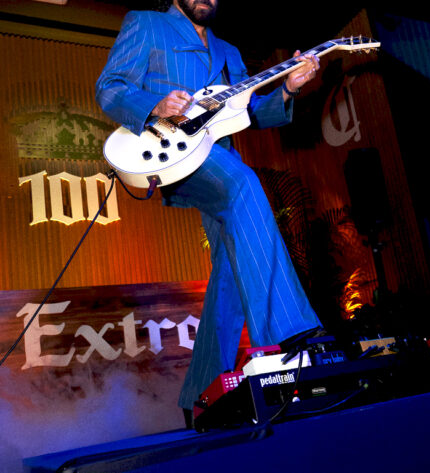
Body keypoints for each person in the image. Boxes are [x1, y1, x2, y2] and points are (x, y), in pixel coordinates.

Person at [95, 0, 324, 421]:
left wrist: (289, 88)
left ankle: (200, 395)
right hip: (170, 152)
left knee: (233, 268)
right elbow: (110, 87)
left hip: (216, 153)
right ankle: (286, 339)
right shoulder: (146, 24)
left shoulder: (228, 51)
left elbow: (250, 113)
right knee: (244, 186)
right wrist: (155, 105)